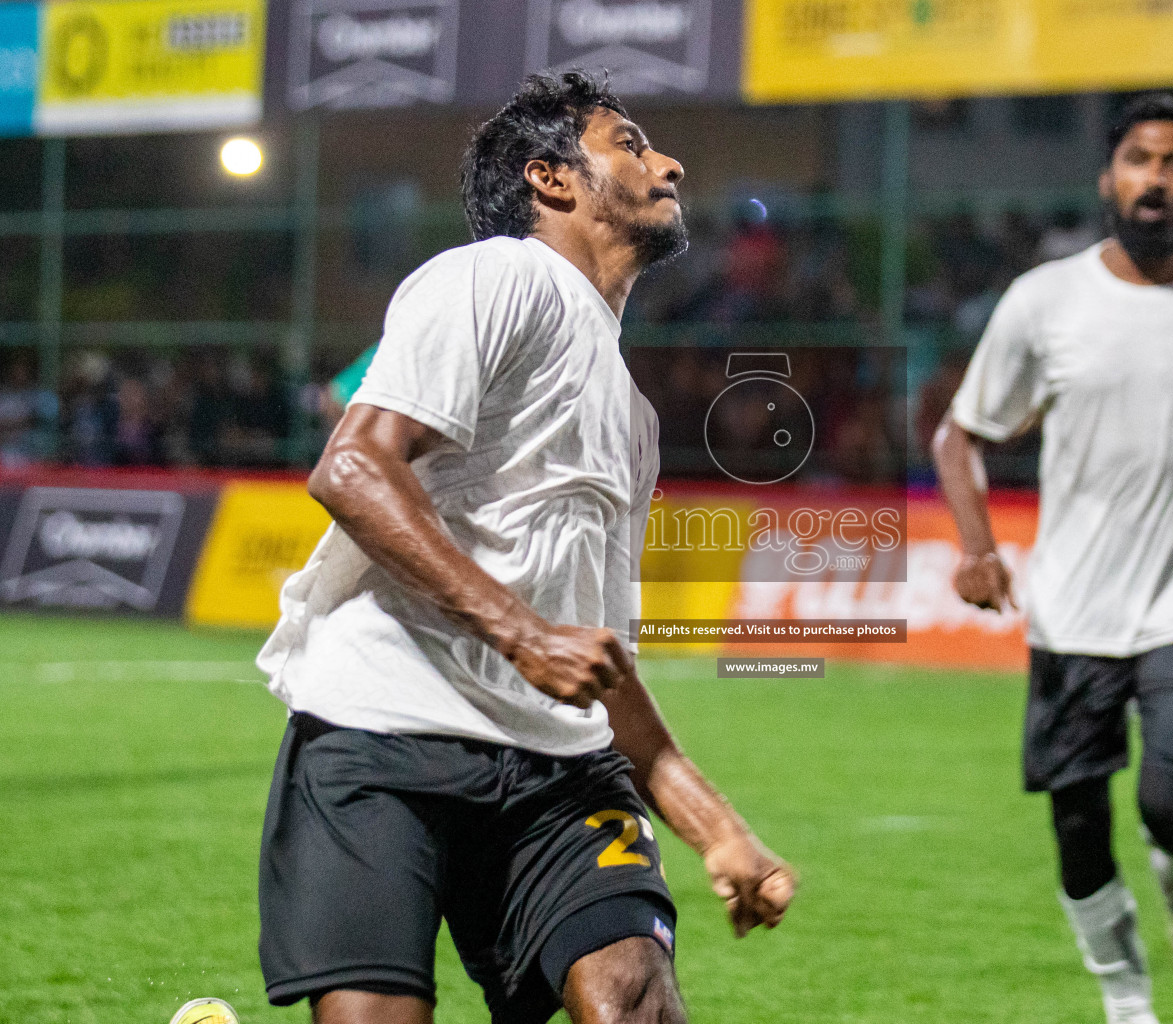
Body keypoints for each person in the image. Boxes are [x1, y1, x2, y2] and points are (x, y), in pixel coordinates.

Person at [255, 71, 796, 1024]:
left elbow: (599, 655)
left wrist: (716, 829)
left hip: (559, 770)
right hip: (386, 733)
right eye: (629, 143)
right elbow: (352, 468)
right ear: (551, 182)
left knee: (636, 999)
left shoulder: (630, 415)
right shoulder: (496, 277)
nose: (666, 161)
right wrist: (524, 637)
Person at [931, 95, 1173, 1024]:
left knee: (1172, 806)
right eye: (1142, 160)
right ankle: (1127, 1001)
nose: (1159, 177)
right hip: (1073, 606)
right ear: (1109, 179)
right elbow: (961, 436)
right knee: (1076, 824)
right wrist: (978, 551)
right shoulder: (1045, 300)